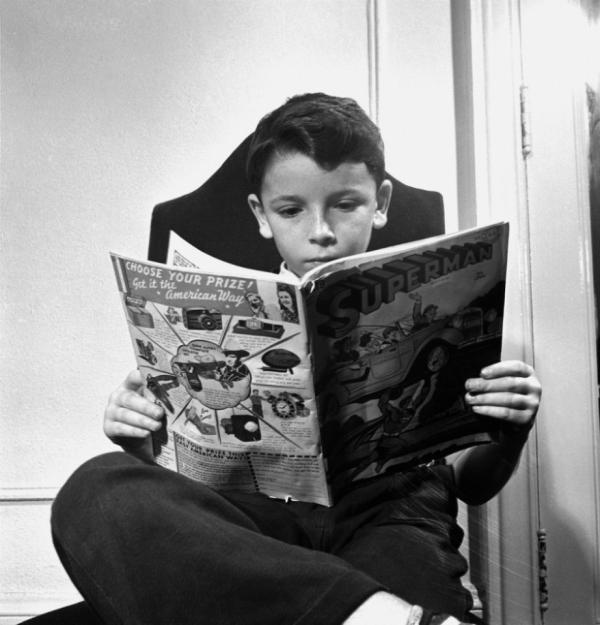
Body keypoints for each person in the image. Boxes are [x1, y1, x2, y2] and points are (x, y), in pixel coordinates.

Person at [51, 93, 541, 625]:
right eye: (292, 210)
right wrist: (140, 445)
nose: (321, 231)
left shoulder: (443, 309)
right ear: (262, 216)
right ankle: (379, 618)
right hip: (251, 525)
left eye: (346, 204)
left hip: (391, 515)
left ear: (380, 202)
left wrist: (509, 433)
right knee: (95, 488)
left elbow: (471, 483)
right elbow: (181, 484)